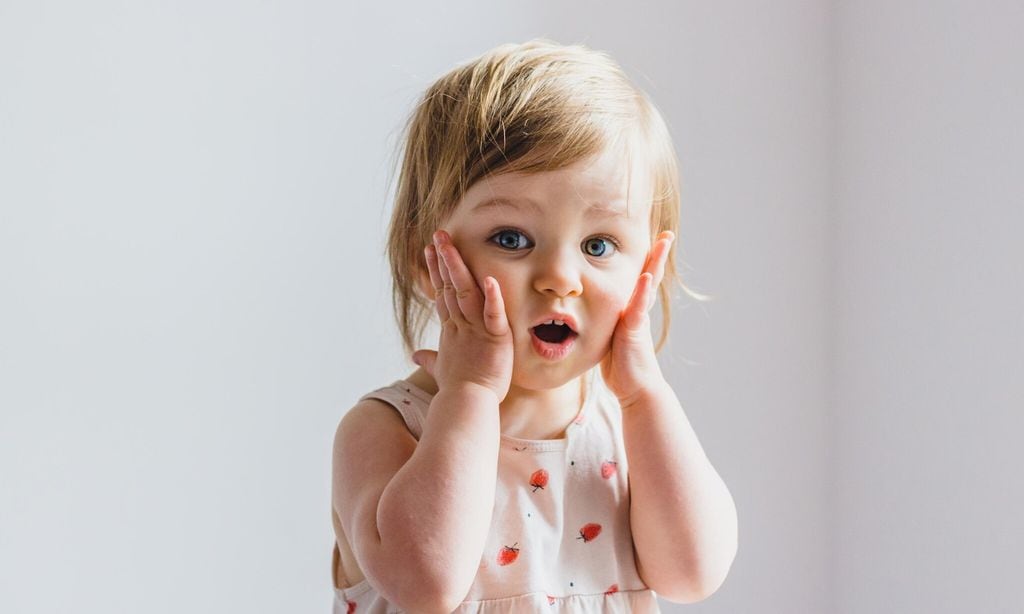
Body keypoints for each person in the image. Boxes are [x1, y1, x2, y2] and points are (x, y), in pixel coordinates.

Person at [330, 39, 738, 613]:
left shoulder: (628, 434)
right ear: (422, 260)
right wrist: (470, 393)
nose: (559, 278)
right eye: (512, 239)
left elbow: (693, 573)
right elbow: (426, 583)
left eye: (599, 245)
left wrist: (645, 397)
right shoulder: (386, 430)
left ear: (648, 267)